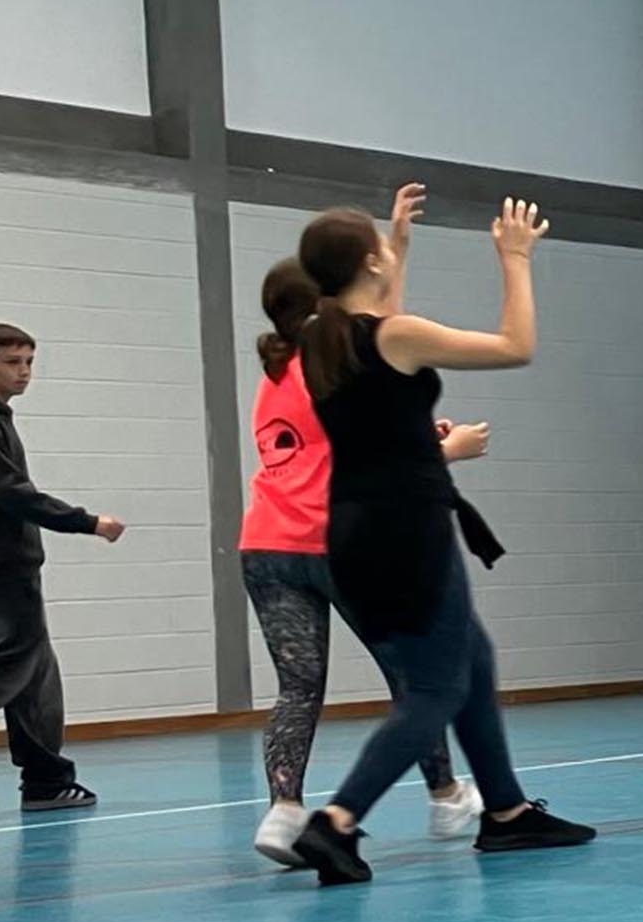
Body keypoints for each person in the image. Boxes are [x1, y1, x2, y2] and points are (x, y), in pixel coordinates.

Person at [288, 198, 593, 885]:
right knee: (435, 687)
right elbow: (516, 345)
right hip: (408, 527)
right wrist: (514, 258)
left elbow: (380, 320)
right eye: (379, 248)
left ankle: (508, 811)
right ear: (368, 263)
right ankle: (336, 820)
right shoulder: (394, 335)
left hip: (356, 528)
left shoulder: (321, 335)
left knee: (471, 659)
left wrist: (397, 239)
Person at [241, 183, 488, 867]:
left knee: (297, 686)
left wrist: (399, 239)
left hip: (264, 542)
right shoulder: (337, 359)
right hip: (336, 539)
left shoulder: (276, 367)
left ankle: (283, 810)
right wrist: (447, 447)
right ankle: (443, 794)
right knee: (416, 676)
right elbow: (371, 445)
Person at [0, 324, 125, 827]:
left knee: (36, 676)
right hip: (1, 568)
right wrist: (85, 521)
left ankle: (46, 780)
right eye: (12, 362)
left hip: (3, 567)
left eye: (29, 362)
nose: (24, 372)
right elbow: (7, 492)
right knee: (1, 668)